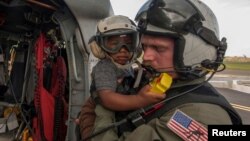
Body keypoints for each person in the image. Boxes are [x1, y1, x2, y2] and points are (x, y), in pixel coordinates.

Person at [80, 0, 242, 141]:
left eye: (158, 48)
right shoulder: (148, 76)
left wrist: (98, 109)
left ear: (194, 52)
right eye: (145, 46)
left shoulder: (201, 119)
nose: (147, 56)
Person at [78, 15, 165, 141]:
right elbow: (107, 99)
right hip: (100, 109)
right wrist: (139, 100)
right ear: (100, 47)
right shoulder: (105, 68)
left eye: (129, 44)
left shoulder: (127, 66)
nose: (123, 50)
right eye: (114, 45)